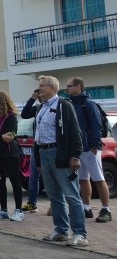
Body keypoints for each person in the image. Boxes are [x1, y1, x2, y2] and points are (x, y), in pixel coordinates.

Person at [35, 75, 86, 246]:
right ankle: (61, 230)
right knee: (54, 196)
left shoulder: (64, 105)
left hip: (61, 154)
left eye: (42, 86)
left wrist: (75, 156)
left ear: (52, 88)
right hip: (45, 153)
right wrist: (39, 161)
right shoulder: (40, 108)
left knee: (71, 195)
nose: (39, 89)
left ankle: (80, 233)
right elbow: (38, 135)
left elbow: (75, 132)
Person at [66, 77, 111, 222]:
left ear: (79, 86)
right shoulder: (72, 104)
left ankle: (106, 210)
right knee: (83, 179)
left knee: (98, 178)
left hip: (90, 148)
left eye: (70, 86)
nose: (67, 88)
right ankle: (86, 208)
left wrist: (94, 146)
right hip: (79, 149)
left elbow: (96, 125)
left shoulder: (88, 104)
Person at [0, 92, 24, 222]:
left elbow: (10, 135)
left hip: (11, 153)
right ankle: (3, 210)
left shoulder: (11, 117)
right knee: (0, 181)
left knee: (15, 180)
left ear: (3, 101)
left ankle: (18, 210)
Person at [20, 88, 42, 213]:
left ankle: (54, 205)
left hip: (51, 146)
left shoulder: (58, 105)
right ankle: (32, 203)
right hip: (37, 146)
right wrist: (32, 99)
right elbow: (24, 114)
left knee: (52, 177)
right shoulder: (38, 108)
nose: (40, 94)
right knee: (33, 175)